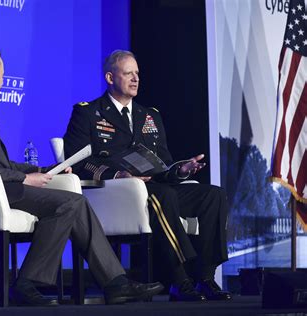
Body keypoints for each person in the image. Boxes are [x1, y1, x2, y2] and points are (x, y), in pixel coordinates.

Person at [0, 46, 164, 306]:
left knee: (74, 202)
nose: (2, 81)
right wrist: (24, 179)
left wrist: (41, 170)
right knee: (70, 203)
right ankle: (29, 283)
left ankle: (115, 284)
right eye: (1, 75)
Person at [63, 50, 231, 301]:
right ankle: (179, 280)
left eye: (137, 73)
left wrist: (180, 170)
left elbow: (163, 165)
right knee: (162, 197)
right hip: (116, 193)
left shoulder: (150, 115)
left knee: (213, 195)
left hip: (155, 187)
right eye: (128, 73)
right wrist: (117, 174)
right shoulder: (87, 113)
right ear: (110, 77)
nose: (135, 78)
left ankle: (206, 277)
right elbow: (77, 162)